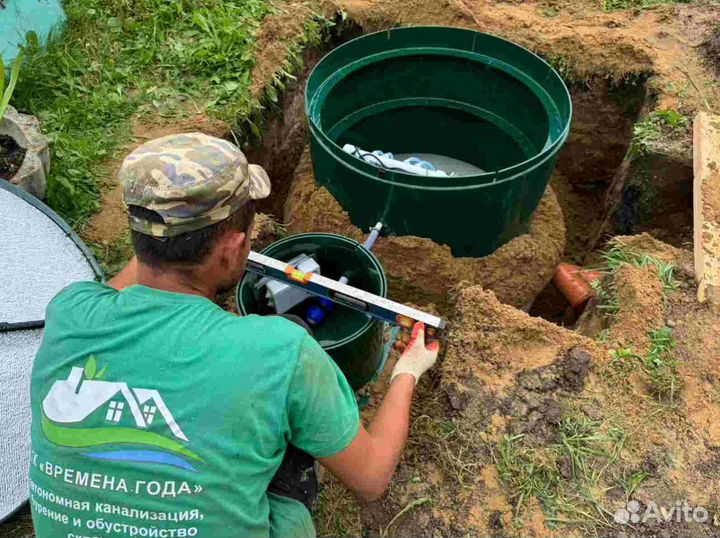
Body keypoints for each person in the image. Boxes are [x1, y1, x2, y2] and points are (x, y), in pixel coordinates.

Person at [29, 133, 439, 538]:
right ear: (233, 248)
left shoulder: (69, 312)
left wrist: (167, 231)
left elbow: (139, 272)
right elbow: (371, 478)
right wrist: (408, 370)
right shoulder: (280, 351)